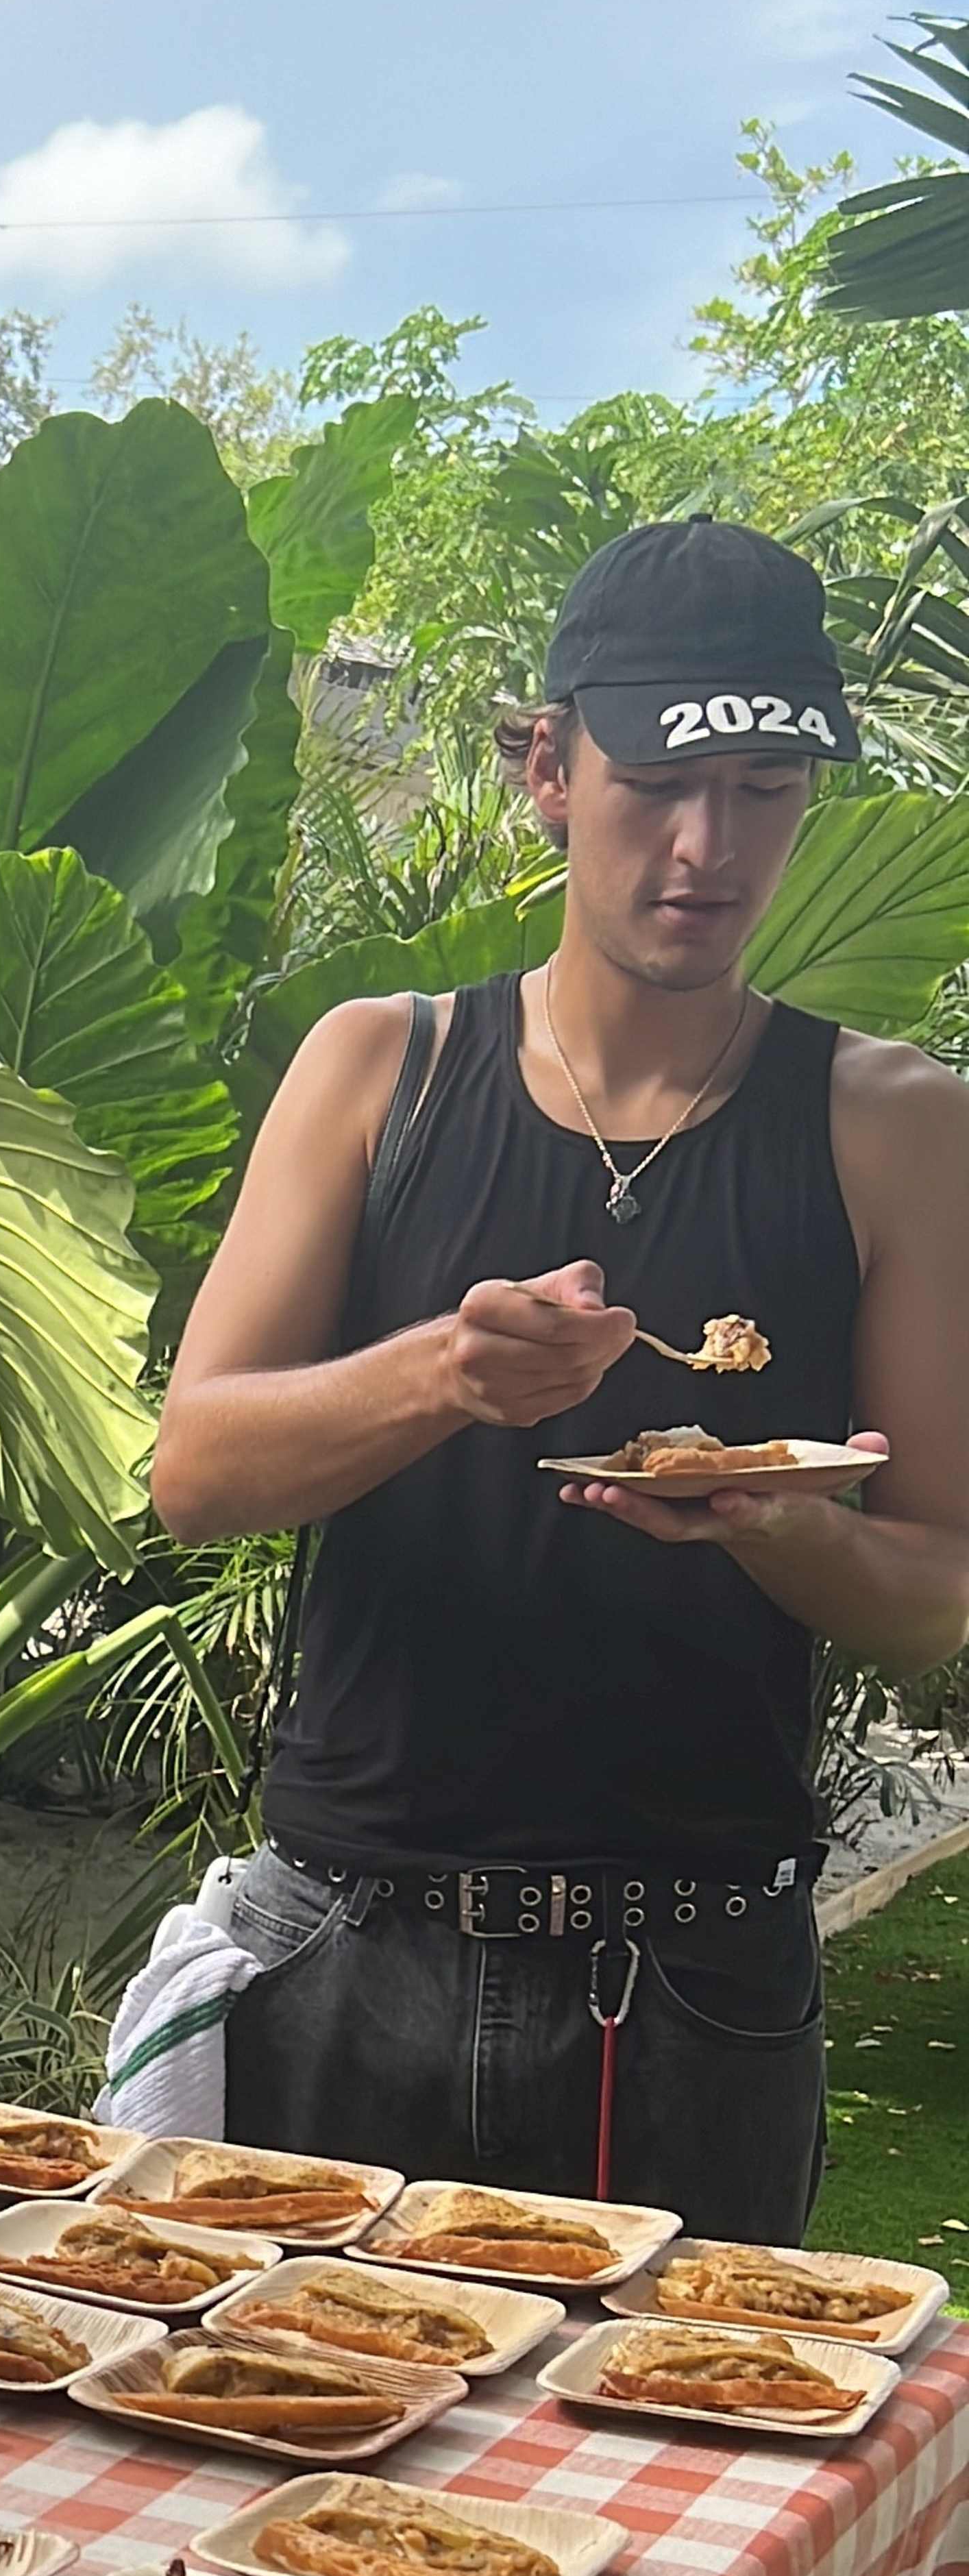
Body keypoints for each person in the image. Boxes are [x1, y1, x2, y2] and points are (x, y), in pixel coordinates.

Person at [151, 515, 969, 2238]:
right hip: (346, 1942)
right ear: (545, 766)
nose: (706, 844)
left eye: (762, 789)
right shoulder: (385, 1067)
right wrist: (444, 1377)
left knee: (682, 2485)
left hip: (691, 1977)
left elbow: (930, 1598)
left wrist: (770, 1520)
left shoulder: (894, 1126)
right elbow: (197, 1471)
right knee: (280, 2466)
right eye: (659, 780)